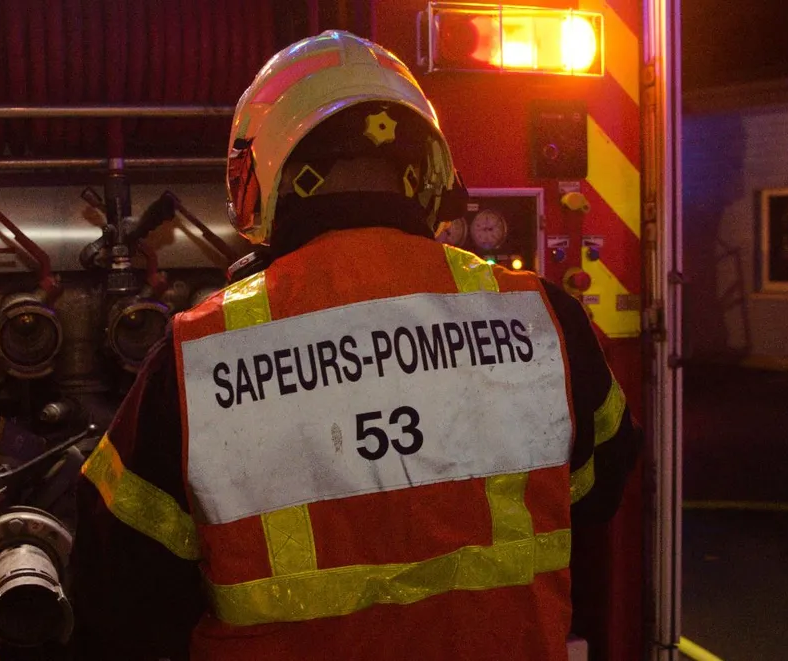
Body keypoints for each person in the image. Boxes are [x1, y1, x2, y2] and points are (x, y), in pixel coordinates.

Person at [71, 31, 641, 661]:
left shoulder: (199, 355)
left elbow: (115, 593)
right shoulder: (544, 319)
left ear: (262, 172)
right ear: (425, 171)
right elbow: (599, 489)